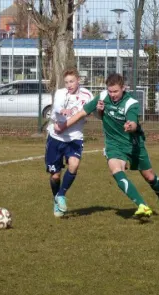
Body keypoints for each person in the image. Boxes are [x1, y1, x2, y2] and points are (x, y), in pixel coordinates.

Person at [55, 73, 159, 219]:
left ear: (123, 88)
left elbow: (134, 123)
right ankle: (142, 205)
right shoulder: (103, 96)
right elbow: (82, 113)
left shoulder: (131, 103)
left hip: (133, 144)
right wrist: (63, 126)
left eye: (116, 91)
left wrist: (131, 126)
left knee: (149, 177)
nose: (112, 95)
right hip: (114, 144)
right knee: (115, 169)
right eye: (110, 91)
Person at [45, 68, 93, 217]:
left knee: (74, 165)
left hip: (75, 137)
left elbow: (94, 110)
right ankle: (56, 199)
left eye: (72, 81)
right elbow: (58, 107)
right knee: (55, 176)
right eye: (66, 82)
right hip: (56, 138)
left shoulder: (87, 95)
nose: (69, 85)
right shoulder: (60, 93)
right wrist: (62, 111)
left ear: (78, 80)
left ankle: (61, 195)